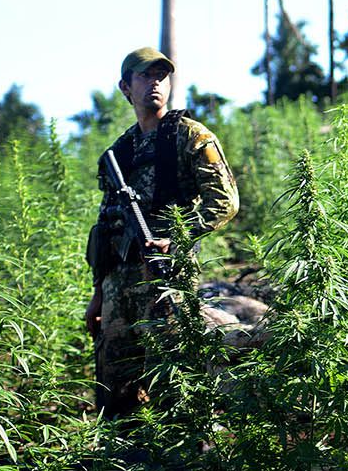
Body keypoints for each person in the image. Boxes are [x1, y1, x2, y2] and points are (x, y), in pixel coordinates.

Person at [84, 46, 239, 417]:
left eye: (161, 75)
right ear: (125, 87)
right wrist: (97, 295)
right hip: (117, 287)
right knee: (115, 395)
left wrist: (180, 236)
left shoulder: (190, 135)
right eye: (145, 76)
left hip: (166, 279)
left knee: (177, 387)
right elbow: (106, 228)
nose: (155, 83)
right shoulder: (119, 152)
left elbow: (226, 201)